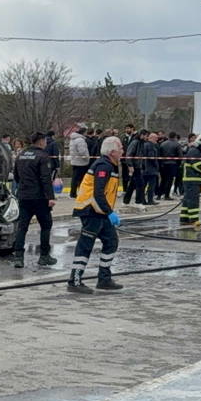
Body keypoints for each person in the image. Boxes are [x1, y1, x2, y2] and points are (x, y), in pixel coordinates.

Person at [69, 136, 124, 294]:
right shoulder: (103, 166)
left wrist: (108, 212)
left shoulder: (110, 165)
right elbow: (98, 193)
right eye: (120, 148)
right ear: (112, 151)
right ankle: (75, 281)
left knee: (111, 241)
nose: (122, 151)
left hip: (100, 211)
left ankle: (104, 279)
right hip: (91, 210)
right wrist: (110, 212)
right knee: (85, 245)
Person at [11, 132, 58, 268]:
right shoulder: (43, 156)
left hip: (24, 196)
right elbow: (45, 178)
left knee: (22, 227)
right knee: (46, 225)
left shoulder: (21, 155)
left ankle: (18, 257)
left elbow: (16, 176)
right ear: (41, 141)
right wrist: (50, 197)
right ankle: (44, 256)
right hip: (39, 197)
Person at [180, 136, 201, 229]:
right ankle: (194, 220)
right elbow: (197, 165)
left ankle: (184, 219)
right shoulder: (195, 152)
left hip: (191, 180)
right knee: (193, 200)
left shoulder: (194, 150)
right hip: (192, 180)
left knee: (187, 200)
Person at [159, 132, 182, 200]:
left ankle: (159, 195)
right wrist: (178, 164)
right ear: (175, 137)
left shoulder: (163, 144)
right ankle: (166, 195)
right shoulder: (177, 144)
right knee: (169, 180)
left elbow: (160, 154)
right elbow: (180, 156)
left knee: (163, 180)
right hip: (172, 164)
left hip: (163, 164)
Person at [67, 126, 89, 198]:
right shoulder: (80, 140)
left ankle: (73, 193)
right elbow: (82, 151)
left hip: (75, 161)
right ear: (84, 132)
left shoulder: (73, 139)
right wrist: (87, 158)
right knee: (81, 179)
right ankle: (80, 193)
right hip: (81, 162)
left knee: (75, 178)